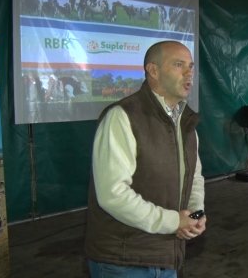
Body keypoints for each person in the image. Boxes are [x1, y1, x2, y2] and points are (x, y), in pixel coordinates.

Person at [85, 40, 206, 278]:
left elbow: (195, 176)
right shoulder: (122, 117)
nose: (189, 72)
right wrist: (174, 222)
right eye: (179, 65)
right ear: (153, 71)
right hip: (123, 261)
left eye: (190, 66)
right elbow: (113, 194)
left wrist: (194, 215)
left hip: (166, 256)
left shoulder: (185, 122)